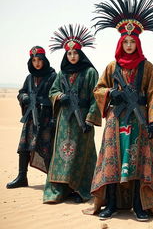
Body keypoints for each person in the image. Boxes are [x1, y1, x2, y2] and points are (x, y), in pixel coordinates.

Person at [90, 0, 153, 221]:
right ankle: (112, 205)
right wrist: (110, 94)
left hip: (139, 121)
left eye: (132, 41)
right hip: (115, 120)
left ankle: (139, 205)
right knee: (112, 162)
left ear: (137, 43)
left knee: (139, 164)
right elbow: (97, 89)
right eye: (125, 41)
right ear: (121, 43)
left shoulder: (147, 68)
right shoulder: (111, 67)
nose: (128, 45)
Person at [43, 25, 102, 204]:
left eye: (75, 53)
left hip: (82, 120)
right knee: (62, 154)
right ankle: (59, 190)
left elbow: (97, 96)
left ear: (80, 54)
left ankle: (81, 190)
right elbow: (52, 91)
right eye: (69, 54)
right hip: (64, 120)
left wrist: (90, 118)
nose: (72, 56)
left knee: (81, 154)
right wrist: (61, 96)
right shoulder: (61, 73)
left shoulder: (90, 72)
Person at [6, 46, 56, 189]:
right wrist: (24, 97)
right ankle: (22, 177)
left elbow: (55, 96)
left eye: (39, 59)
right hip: (30, 118)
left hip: (46, 118)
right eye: (34, 60)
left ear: (44, 60)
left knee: (46, 148)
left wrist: (51, 114)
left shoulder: (53, 76)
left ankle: (51, 180)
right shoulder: (29, 78)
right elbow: (21, 92)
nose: (37, 63)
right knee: (23, 147)